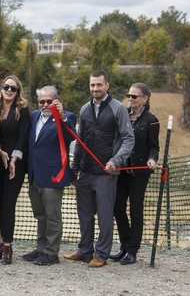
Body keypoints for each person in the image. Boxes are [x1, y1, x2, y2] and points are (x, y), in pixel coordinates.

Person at [64, 70, 134, 267]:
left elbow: (129, 138)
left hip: (106, 172)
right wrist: (75, 168)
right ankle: (85, 251)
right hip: (86, 171)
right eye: (92, 85)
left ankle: (101, 254)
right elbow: (79, 141)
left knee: (104, 216)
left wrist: (117, 160)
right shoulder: (85, 109)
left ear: (107, 86)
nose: (95, 88)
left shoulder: (118, 109)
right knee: (84, 214)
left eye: (99, 85)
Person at [22, 86, 77, 265]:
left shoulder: (67, 117)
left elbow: (72, 137)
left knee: (53, 216)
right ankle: (41, 249)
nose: (45, 105)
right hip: (34, 175)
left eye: (49, 101)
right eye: (42, 101)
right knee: (40, 215)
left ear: (57, 100)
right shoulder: (33, 116)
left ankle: (52, 253)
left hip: (53, 175)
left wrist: (62, 117)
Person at [110, 83, 159, 265]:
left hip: (139, 173)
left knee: (136, 211)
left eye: (134, 96)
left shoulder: (151, 120)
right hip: (121, 170)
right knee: (117, 207)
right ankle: (124, 245)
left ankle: (133, 250)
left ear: (145, 99)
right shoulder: (123, 115)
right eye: (128, 95)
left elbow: (153, 147)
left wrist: (152, 159)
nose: (130, 99)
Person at [0, 75, 30, 265]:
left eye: (13, 88)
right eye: (6, 87)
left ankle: (7, 247)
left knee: (8, 205)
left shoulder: (22, 110)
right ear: (2, 88)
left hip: (16, 165)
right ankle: (2, 242)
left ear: (17, 91)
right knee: (0, 205)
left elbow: (23, 137)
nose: (9, 91)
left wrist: (13, 158)